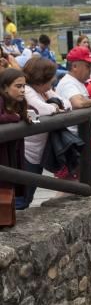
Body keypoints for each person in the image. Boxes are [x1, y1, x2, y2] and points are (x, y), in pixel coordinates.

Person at [17, 59, 70, 208]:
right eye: (51, 77)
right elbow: (40, 110)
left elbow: (67, 104)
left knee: (28, 196)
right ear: (41, 79)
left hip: (38, 152)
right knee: (21, 198)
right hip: (26, 153)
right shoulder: (27, 90)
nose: (54, 80)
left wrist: (55, 104)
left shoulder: (45, 91)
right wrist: (54, 106)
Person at [0, 69, 29, 216]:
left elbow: (33, 111)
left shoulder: (19, 103)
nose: (23, 90)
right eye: (18, 86)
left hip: (13, 154)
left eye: (24, 86)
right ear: (5, 87)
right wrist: (15, 117)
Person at [56, 46, 91, 113]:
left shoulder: (76, 81)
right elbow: (78, 102)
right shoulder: (68, 83)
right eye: (88, 66)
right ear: (74, 67)